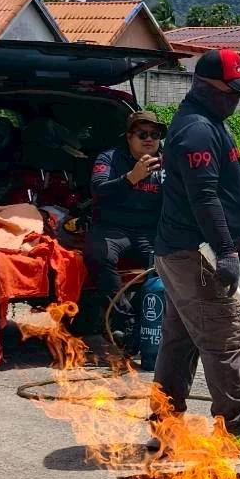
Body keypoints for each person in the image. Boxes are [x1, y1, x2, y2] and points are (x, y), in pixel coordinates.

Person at [150, 49, 240, 459]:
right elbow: (204, 197)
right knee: (222, 339)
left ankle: (165, 428)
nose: (236, 99)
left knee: (179, 343)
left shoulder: (212, 124)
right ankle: (234, 431)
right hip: (197, 254)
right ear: (204, 86)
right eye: (231, 91)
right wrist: (227, 252)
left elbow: (235, 175)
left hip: (184, 252)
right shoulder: (195, 130)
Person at [83, 110, 164, 351]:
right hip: (112, 227)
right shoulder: (109, 158)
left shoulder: (168, 162)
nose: (149, 139)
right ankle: (124, 320)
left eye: (155, 134)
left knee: (168, 263)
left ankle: (143, 321)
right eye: (142, 134)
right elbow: (98, 189)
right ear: (129, 137)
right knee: (99, 255)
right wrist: (131, 178)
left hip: (148, 231)